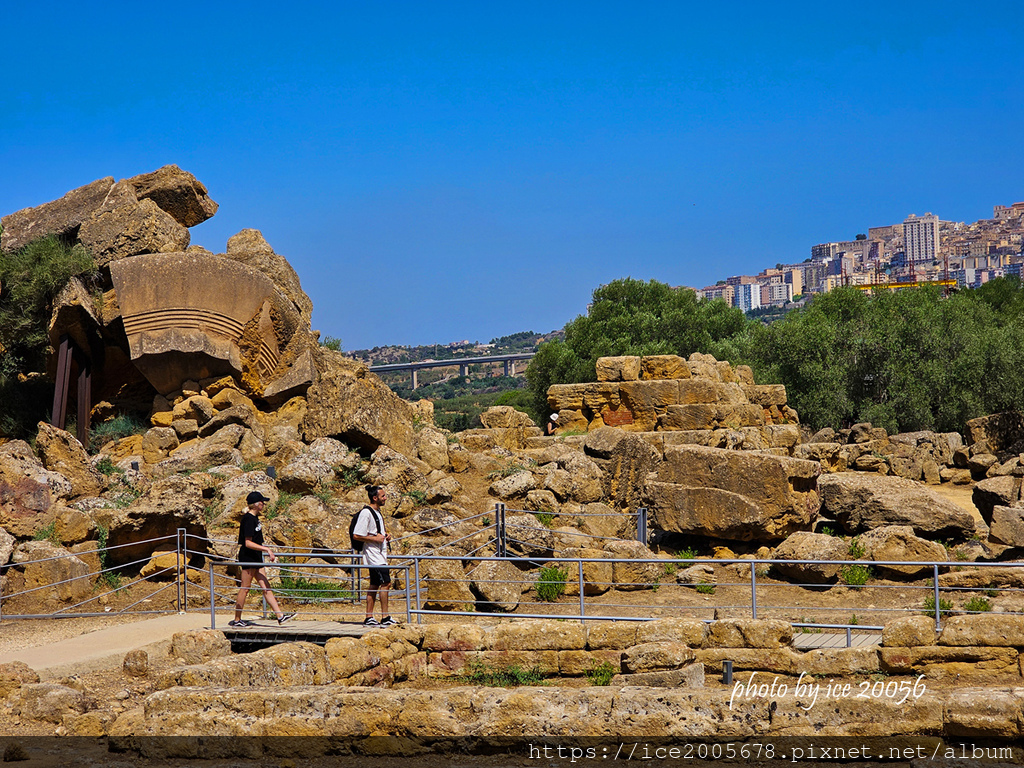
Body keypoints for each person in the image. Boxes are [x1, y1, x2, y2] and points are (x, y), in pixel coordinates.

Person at [231, 491, 295, 627]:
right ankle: (237, 619)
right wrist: (266, 549)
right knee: (245, 588)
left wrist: (264, 548)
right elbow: (247, 542)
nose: (263, 504)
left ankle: (280, 616)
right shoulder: (248, 519)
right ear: (256, 504)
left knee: (266, 586)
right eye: (262, 502)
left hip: (256, 556)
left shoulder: (255, 519)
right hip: (248, 557)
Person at [352, 485, 396, 627]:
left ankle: (369, 616)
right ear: (375, 498)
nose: (385, 498)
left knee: (375, 584)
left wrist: (385, 536)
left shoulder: (377, 513)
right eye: (383, 496)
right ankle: (385, 616)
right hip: (373, 555)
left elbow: (375, 532)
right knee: (386, 583)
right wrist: (375, 539)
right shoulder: (366, 513)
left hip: (380, 554)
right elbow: (357, 535)